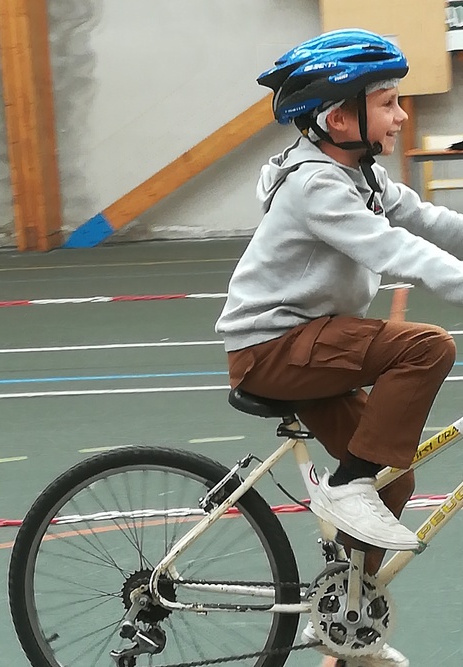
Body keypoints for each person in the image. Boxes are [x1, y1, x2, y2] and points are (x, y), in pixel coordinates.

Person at [215, 29, 463, 667]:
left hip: (307, 344)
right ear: (337, 116)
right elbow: (395, 251)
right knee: (426, 347)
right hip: (274, 347)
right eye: (388, 103)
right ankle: (347, 486)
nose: (402, 115)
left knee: (392, 478)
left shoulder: (362, 176)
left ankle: (347, 622)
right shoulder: (315, 186)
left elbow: (432, 223)